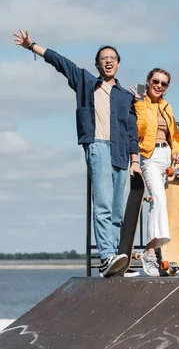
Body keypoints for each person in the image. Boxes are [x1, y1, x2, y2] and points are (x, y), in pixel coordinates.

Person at [13, 30, 141, 278]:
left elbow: (132, 129)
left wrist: (135, 159)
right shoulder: (85, 81)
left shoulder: (126, 96)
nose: (108, 60)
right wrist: (32, 46)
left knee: (116, 210)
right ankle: (106, 257)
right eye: (103, 57)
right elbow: (60, 61)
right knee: (102, 204)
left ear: (118, 63)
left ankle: (117, 261)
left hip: (121, 153)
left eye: (112, 57)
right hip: (98, 146)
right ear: (97, 64)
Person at [133, 68, 179, 277]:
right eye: (156, 81)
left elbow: (176, 135)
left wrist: (178, 151)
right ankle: (149, 252)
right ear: (148, 81)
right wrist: (139, 104)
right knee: (159, 201)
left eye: (164, 84)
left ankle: (158, 253)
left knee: (161, 203)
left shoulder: (166, 106)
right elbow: (138, 129)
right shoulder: (140, 102)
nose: (159, 86)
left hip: (167, 157)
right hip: (150, 156)